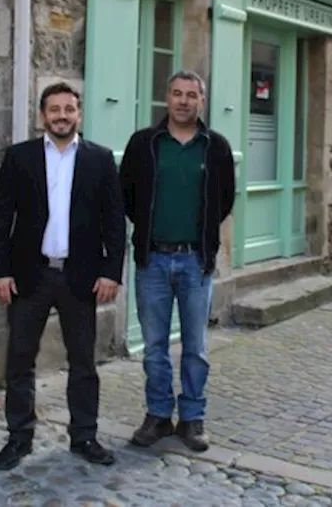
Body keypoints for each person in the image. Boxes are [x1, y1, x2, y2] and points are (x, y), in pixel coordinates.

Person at [0, 81, 126, 471]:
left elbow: (114, 221)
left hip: (80, 278)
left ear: (79, 113)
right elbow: (0, 218)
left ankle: (84, 435)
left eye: (69, 109)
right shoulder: (20, 157)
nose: (62, 116)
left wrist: (111, 271)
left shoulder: (99, 160)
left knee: (83, 363)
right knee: (20, 359)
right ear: (42, 115)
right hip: (31, 275)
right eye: (54, 109)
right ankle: (19, 436)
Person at [120, 71, 235, 453]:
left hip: (194, 261)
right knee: (154, 346)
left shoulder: (215, 147)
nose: (184, 101)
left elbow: (225, 200)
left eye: (192, 95)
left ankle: (192, 418)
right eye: (177, 94)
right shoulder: (144, 144)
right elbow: (128, 195)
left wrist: (198, 237)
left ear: (201, 101)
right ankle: (157, 416)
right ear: (166, 98)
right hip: (152, 259)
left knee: (195, 347)